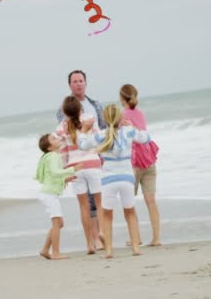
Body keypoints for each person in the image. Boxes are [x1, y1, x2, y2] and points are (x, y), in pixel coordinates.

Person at [78, 104, 150, 258]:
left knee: (107, 216)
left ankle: (109, 250)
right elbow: (146, 138)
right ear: (120, 118)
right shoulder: (128, 131)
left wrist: (84, 130)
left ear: (105, 119)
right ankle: (136, 248)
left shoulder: (100, 135)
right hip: (127, 179)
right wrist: (133, 126)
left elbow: (82, 145)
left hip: (108, 181)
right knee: (130, 212)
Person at [56, 70, 106, 251]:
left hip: (75, 167)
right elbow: (99, 138)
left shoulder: (61, 127)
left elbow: (62, 151)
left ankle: (89, 244)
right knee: (100, 203)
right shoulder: (88, 119)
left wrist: (63, 172)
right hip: (92, 162)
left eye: (81, 81)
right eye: (74, 81)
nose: (78, 84)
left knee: (83, 206)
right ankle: (102, 235)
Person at [120, 84, 161, 246]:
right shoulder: (140, 113)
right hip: (149, 158)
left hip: (135, 161)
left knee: (129, 201)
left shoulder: (123, 116)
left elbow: (124, 139)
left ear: (122, 98)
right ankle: (156, 238)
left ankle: (135, 238)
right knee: (151, 200)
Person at [35, 133, 83, 260]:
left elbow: (51, 176)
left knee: (59, 223)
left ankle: (45, 250)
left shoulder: (50, 156)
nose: (57, 138)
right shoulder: (53, 156)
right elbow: (56, 173)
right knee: (57, 223)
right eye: (53, 139)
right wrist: (73, 169)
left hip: (49, 193)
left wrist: (66, 179)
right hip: (49, 194)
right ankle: (55, 253)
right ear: (50, 147)